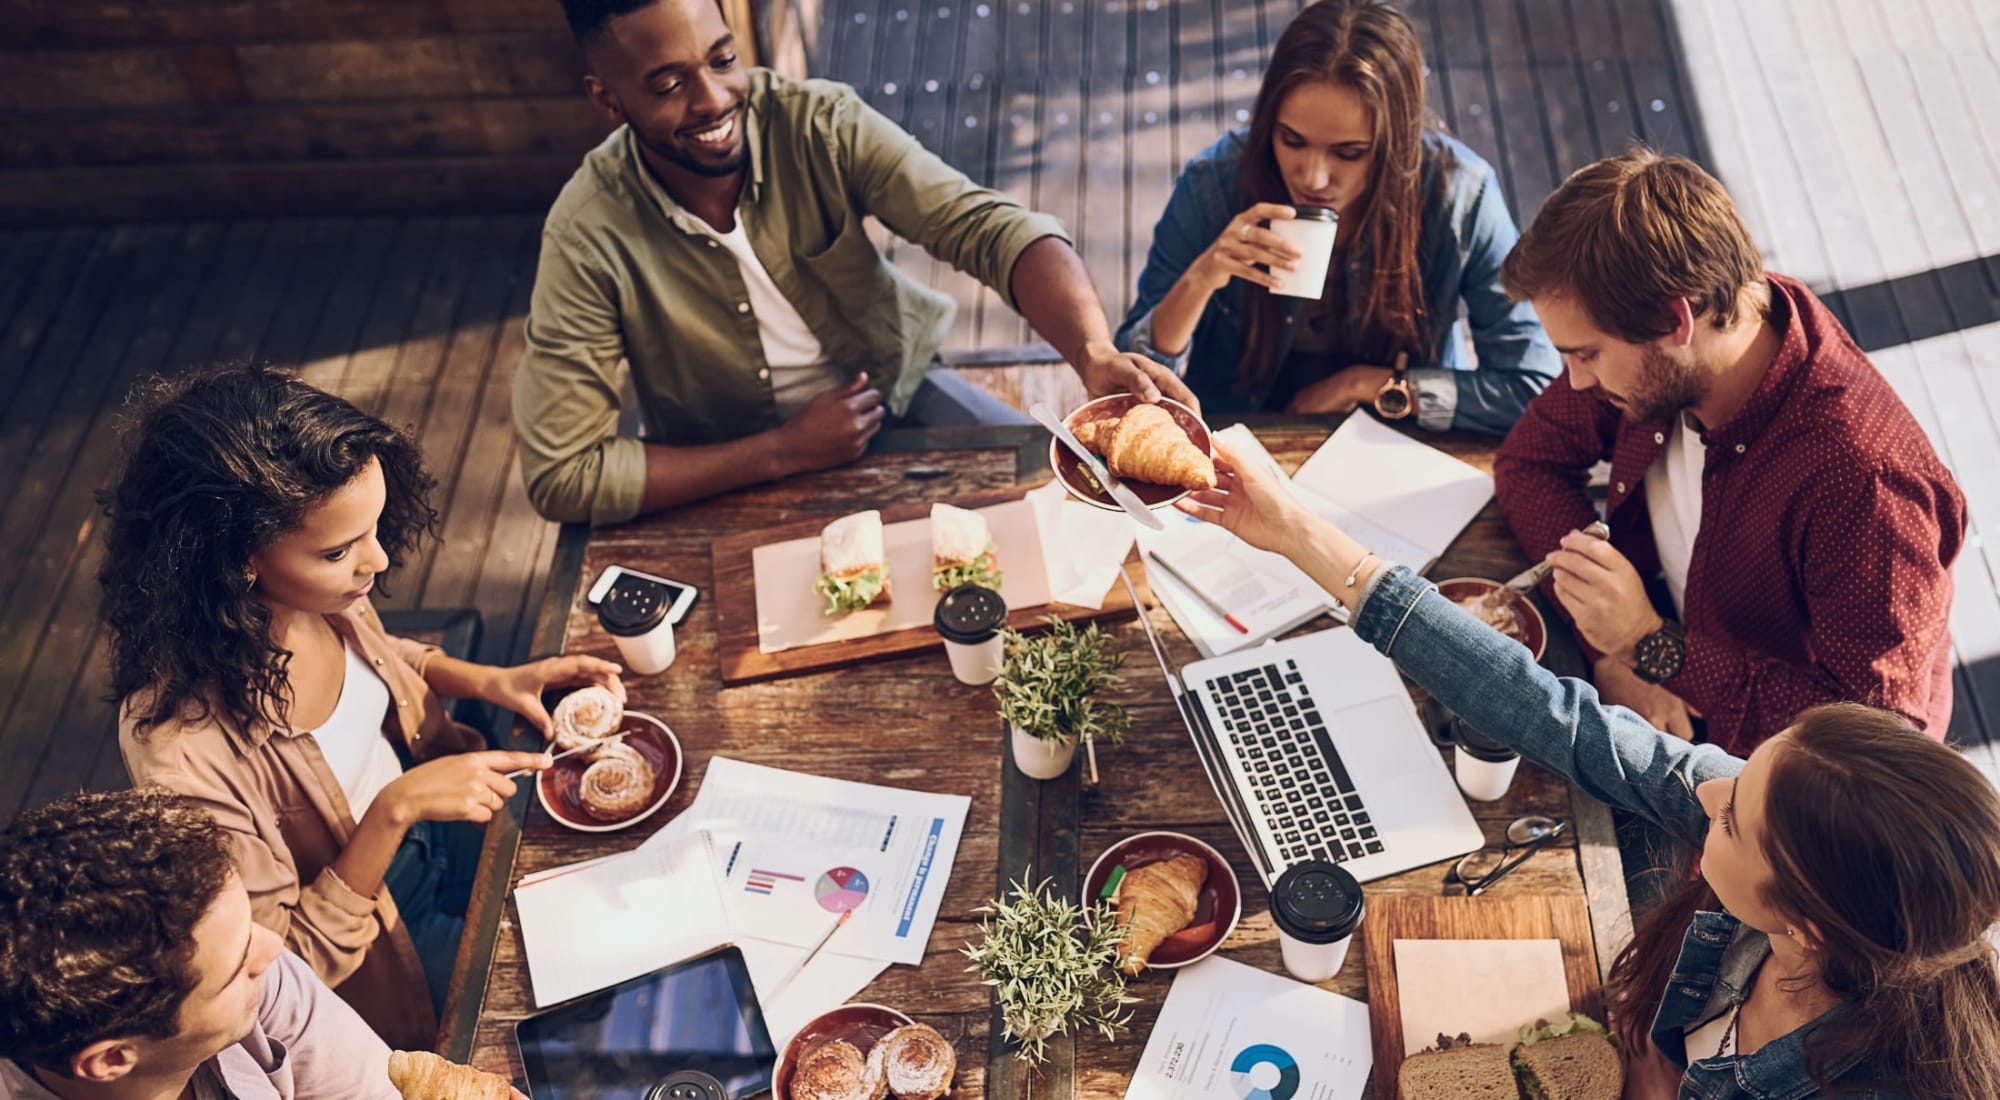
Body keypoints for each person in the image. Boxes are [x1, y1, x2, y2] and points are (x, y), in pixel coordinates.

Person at [1181, 440, 2000, 1098]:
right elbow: (1551, 714)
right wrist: (1293, 529)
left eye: (1729, 818)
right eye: (1741, 772)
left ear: (1809, 927)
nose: (1704, 787)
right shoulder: (1816, 881)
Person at [515, 0, 1193, 525]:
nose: (714, 100)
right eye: (668, 85)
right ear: (608, 100)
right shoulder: (586, 234)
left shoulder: (819, 124)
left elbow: (989, 230)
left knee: (1054, 503)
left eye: (722, 60)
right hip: (721, 464)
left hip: (897, 392)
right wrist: (781, 452)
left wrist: (1091, 350)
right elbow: (563, 473)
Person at [102, 364, 618, 1051]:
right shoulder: (179, 746)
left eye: (374, 528)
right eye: (340, 549)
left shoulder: (320, 593)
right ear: (237, 559)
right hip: (376, 940)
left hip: (445, 812)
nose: (375, 562)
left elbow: (379, 657)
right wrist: (393, 809)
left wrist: (490, 680)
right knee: (564, 1003)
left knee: (599, 903)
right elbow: (278, 969)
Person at [1492, 149, 1965, 755]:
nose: (1578, 382)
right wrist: (1612, 647)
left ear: (1676, 319)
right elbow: (1528, 462)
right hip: (1670, 669)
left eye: (1585, 355)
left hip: (1778, 784)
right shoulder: (1665, 352)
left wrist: (1651, 646)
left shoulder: (1866, 483)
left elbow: (1875, 746)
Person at [1115, 0, 1558, 430]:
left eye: (1349, 153)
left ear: (1396, 143)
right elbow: (1131, 382)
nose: (1314, 177)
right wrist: (1203, 277)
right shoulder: (1215, 183)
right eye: (1291, 140)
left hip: (1397, 442)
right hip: (1241, 433)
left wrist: (1368, 385)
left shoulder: (1459, 194)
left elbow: (1532, 384)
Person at [0, 788, 400, 1100]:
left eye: (249, 927)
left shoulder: (247, 968)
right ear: (113, 1059)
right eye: (234, 972)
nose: (273, 947)